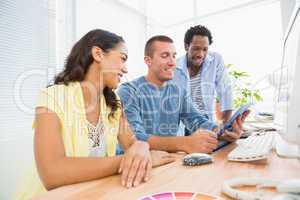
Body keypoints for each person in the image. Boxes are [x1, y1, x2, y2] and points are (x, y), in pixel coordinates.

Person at [15, 29, 175, 200]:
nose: (126, 69)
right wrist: (125, 160)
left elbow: (132, 145)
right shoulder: (52, 97)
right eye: (122, 58)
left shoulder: (113, 104)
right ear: (98, 54)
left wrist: (142, 147)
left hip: (93, 194)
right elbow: (52, 174)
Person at [117, 35, 247, 154]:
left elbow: (197, 121)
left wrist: (222, 131)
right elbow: (135, 137)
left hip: (168, 162)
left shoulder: (178, 92)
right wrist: (185, 142)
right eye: (165, 56)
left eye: (174, 56)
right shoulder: (128, 91)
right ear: (148, 61)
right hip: (134, 165)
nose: (172, 62)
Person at [174, 25, 233, 123]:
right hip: (183, 125)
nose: (200, 54)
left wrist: (225, 125)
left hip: (206, 122)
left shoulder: (215, 60)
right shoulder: (174, 67)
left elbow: (226, 91)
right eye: (196, 48)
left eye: (205, 49)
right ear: (186, 46)